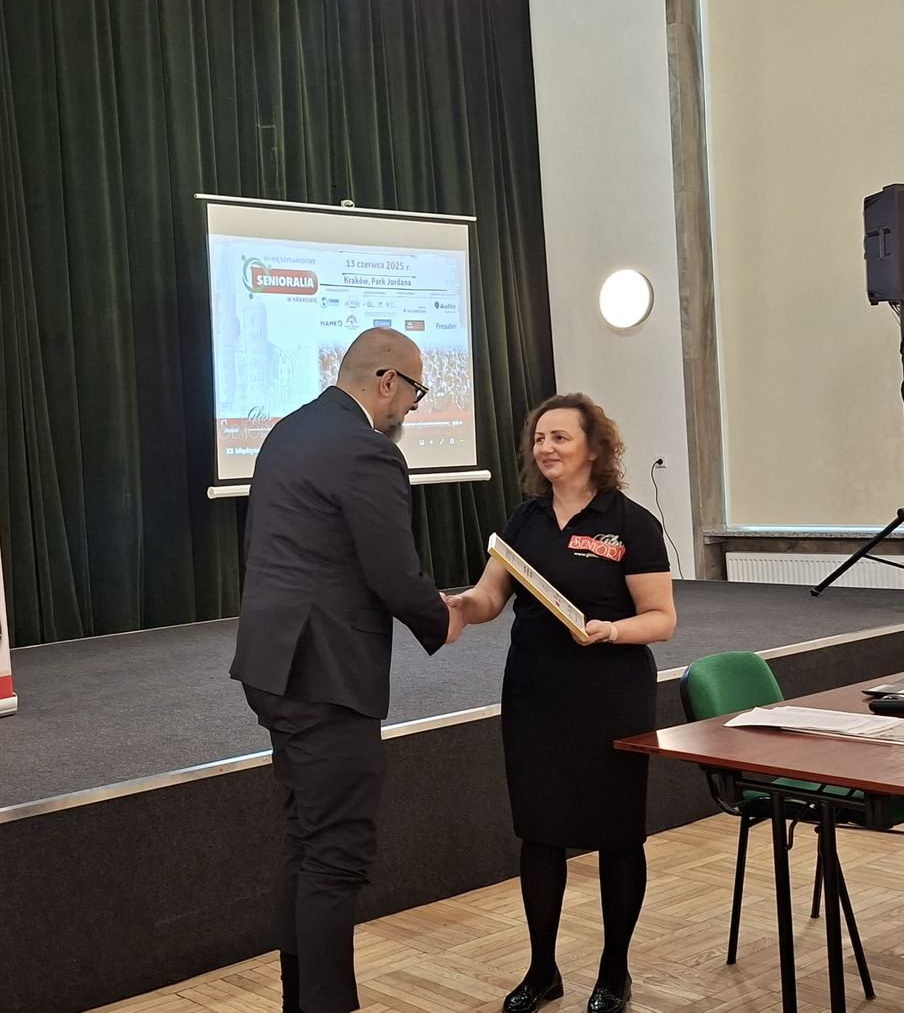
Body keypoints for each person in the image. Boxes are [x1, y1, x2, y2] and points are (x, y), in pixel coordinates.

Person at [231, 327, 461, 1013]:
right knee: (337, 855)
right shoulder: (366, 450)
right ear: (387, 380)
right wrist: (444, 617)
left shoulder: (288, 431)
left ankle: (301, 1000)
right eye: (416, 390)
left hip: (274, 665)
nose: (414, 406)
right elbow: (392, 571)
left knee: (307, 841)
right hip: (325, 674)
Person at [444, 393, 675, 1013]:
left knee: (618, 836)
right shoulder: (524, 521)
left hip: (611, 697)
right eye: (539, 438)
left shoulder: (631, 523)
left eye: (560, 437)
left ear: (595, 447)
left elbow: (661, 619)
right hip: (535, 695)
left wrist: (610, 630)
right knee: (540, 835)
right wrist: (461, 606)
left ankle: (614, 973)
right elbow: (491, 597)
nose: (545, 447)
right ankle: (542, 971)